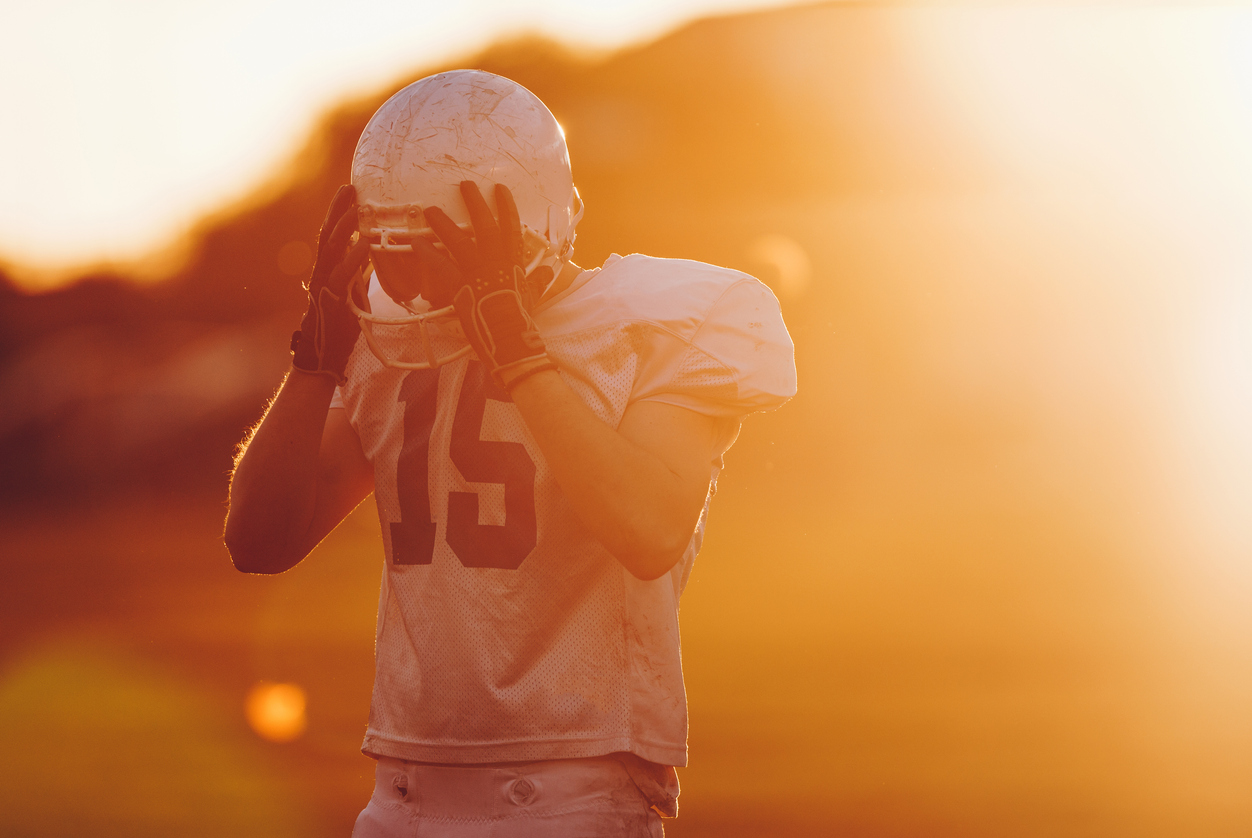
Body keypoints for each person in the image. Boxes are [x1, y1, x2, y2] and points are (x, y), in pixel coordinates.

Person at [224, 69, 796, 837]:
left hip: (571, 791)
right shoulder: (397, 336)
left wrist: (521, 358)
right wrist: (312, 364)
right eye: (392, 255)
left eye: (437, 252)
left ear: (523, 223)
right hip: (398, 792)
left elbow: (649, 527)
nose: (414, 286)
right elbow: (260, 540)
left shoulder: (643, 322)